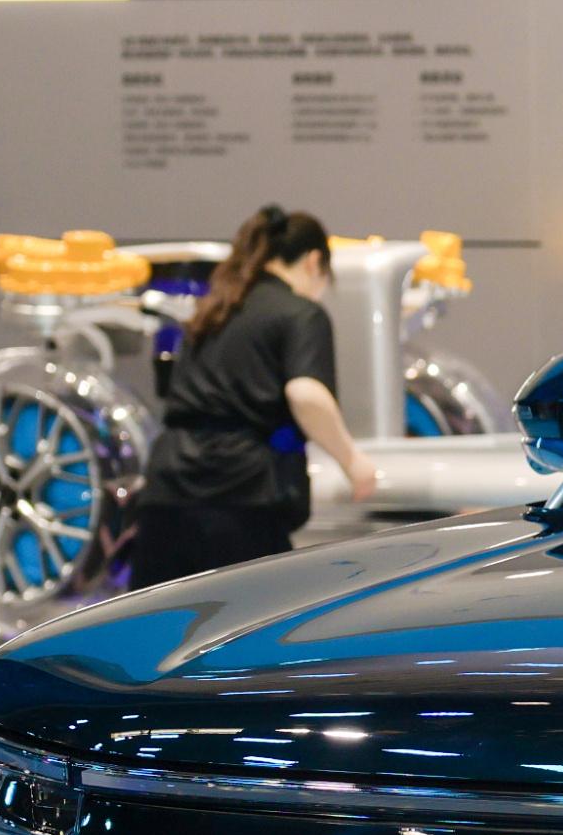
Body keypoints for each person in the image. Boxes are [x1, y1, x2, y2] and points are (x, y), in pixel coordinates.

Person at [128, 204, 377, 589]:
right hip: (240, 493)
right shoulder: (300, 313)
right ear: (314, 261)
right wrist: (352, 460)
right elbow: (306, 393)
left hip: (167, 487)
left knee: (155, 618)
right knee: (255, 616)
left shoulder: (216, 308)